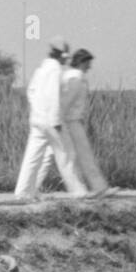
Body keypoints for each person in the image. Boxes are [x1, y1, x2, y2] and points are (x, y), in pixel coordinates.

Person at [14, 37, 88, 201]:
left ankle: (23, 192)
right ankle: (78, 191)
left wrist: (37, 110)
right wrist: (55, 120)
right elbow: (54, 96)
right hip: (50, 121)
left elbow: (31, 92)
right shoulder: (55, 70)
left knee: (32, 157)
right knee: (66, 154)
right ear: (62, 55)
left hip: (37, 119)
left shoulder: (41, 69)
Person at [61, 48, 114, 197]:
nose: (90, 66)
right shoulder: (75, 79)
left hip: (70, 120)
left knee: (75, 155)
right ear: (82, 62)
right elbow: (66, 102)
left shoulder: (72, 77)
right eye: (88, 62)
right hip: (69, 121)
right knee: (79, 155)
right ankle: (92, 188)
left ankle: (94, 187)